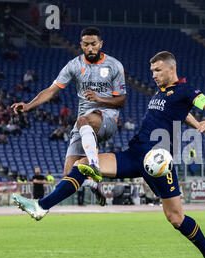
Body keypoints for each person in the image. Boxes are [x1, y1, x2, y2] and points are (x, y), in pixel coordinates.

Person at [12, 51, 205, 258]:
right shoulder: (162, 93)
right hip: (135, 154)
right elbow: (179, 113)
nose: (153, 75)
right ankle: (41, 207)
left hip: (157, 162)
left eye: (157, 70)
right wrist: (195, 124)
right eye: (152, 71)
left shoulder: (187, 90)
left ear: (171, 69)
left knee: (176, 218)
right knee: (84, 162)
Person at [11, 27, 126, 207]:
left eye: (93, 44)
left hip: (107, 119)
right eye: (86, 44)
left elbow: (121, 101)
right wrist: (28, 105)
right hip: (83, 125)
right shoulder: (74, 65)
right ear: (81, 45)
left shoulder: (114, 65)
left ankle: (94, 166)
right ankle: (44, 206)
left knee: (83, 120)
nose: (90, 48)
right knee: (69, 176)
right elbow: (51, 91)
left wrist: (98, 99)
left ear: (100, 44)